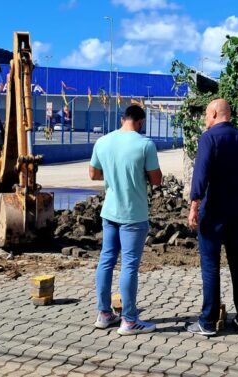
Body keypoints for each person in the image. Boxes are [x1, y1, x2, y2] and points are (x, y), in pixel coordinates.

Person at [186, 98, 238, 336]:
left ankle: (208, 322)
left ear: (216, 114)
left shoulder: (209, 138)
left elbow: (201, 174)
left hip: (213, 210)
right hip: (236, 211)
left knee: (210, 265)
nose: (206, 121)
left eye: (207, 116)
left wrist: (194, 205)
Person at [89, 104, 163, 335]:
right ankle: (129, 321)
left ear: (123, 119)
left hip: (109, 212)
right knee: (129, 265)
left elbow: (93, 174)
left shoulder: (102, 142)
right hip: (133, 214)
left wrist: (112, 174)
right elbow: (157, 179)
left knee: (106, 261)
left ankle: (104, 314)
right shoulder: (145, 145)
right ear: (140, 122)